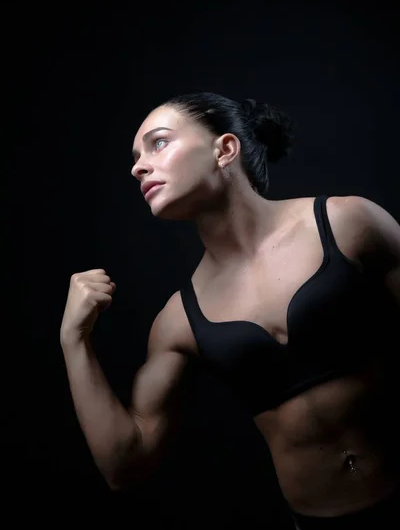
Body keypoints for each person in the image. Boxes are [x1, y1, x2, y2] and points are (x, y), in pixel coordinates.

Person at [60, 92, 400, 528]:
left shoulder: (348, 224)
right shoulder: (180, 321)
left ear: (224, 149)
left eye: (158, 143)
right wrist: (74, 341)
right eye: (135, 156)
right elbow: (126, 465)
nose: (137, 166)